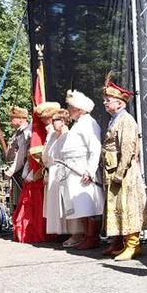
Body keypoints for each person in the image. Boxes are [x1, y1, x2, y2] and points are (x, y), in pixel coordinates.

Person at [100, 80, 147, 261]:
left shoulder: (126, 120)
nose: (105, 103)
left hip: (124, 172)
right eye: (105, 99)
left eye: (108, 99)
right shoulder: (116, 119)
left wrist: (120, 173)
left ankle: (133, 245)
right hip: (115, 170)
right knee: (121, 206)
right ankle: (128, 244)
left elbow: (127, 149)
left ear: (120, 103)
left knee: (129, 206)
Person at [12, 101, 60, 244]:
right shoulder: (23, 132)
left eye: (47, 118)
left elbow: (22, 154)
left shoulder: (39, 132)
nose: (44, 121)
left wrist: (13, 169)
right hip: (35, 169)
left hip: (49, 169)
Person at [61, 91, 104, 250]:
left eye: (71, 107)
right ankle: (87, 235)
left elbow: (94, 148)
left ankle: (92, 237)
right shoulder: (79, 124)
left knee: (88, 205)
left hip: (83, 169)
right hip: (75, 169)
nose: (68, 110)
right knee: (80, 205)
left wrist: (89, 171)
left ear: (80, 109)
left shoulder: (89, 123)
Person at [42, 108, 71, 238]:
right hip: (53, 171)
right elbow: (48, 156)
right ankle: (60, 232)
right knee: (55, 204)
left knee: (66, 203)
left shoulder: (68, 136)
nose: (52, 123)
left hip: (64, 171)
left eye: (55, 120)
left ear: (63, 121)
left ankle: (72, 233)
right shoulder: (53, 136)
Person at [4, 106, 31, 210]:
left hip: (21, 170)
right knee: (16, 200)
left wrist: (11, 170)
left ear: (21, 119)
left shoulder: (25, 132)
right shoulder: (18, 132)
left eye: (12, 118)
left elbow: (21, 154)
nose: (10, 121)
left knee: (21, 200)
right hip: (17, 171)